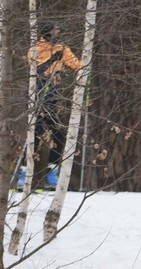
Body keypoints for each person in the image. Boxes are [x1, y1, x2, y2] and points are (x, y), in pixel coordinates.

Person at [23, 23, 81, 190]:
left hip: (51, 95)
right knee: (34, 133)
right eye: (54, 31)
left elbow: (76, 64)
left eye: (59, 30)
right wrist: (53, 59)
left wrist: (86, 62)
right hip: (35, 93)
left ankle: (52, 173)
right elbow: (37, 71)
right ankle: (24, 175)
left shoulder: (62, 48)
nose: (57, 33)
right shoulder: (35, 49)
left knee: (59, 133)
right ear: (46, 32)